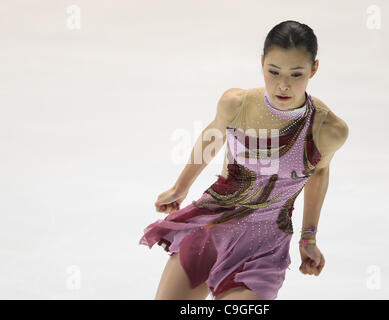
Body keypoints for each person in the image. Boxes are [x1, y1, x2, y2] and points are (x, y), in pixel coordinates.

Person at [139, 20, 349, 300]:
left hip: (264, 248)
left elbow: (319, 174)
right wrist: (181, 187)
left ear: (314, 69)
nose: (282, 85)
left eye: (296, 74)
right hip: (211, 229)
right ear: (261, 62)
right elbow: (213, 137)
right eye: (273, 72)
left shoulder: (327, 130)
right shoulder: (236, 104)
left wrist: (308, 236)